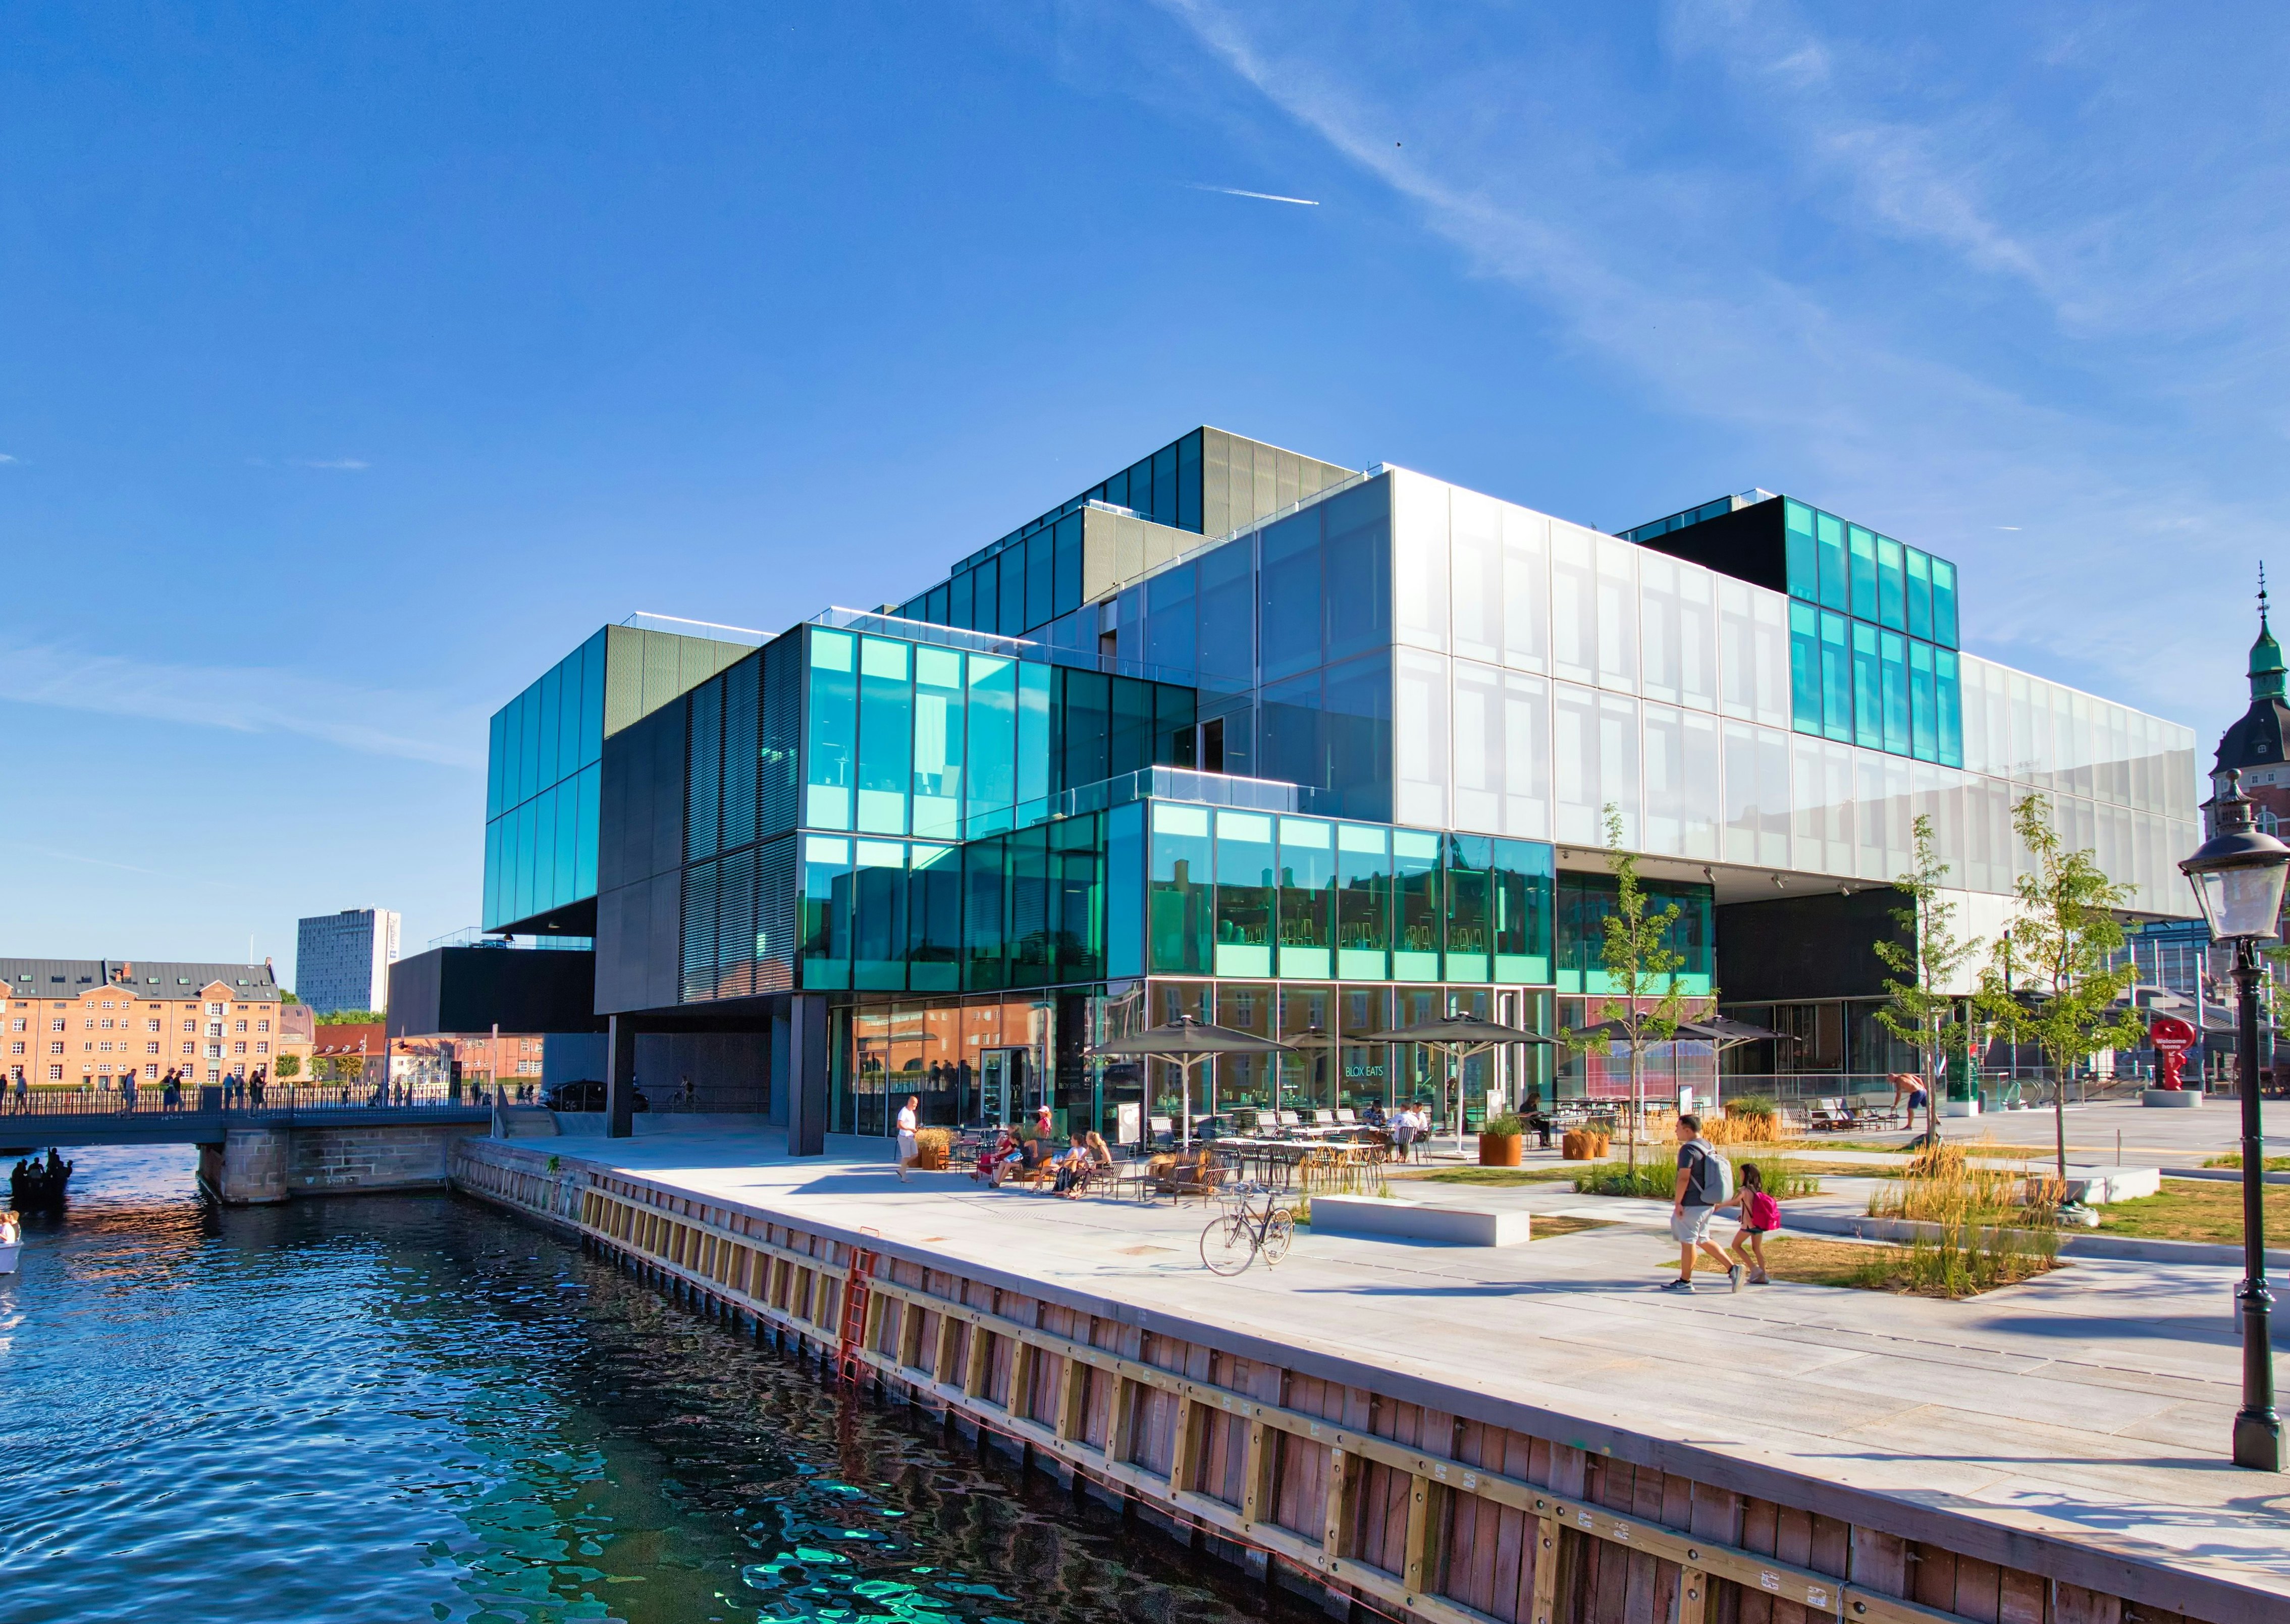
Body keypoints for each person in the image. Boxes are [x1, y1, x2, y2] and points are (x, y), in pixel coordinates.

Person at [1664, 1113, 1739, 1294]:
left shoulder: (1688, 1150)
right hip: (1707, 1202)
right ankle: (1733, 1269)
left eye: (1678, 1127)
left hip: (1692, 1203)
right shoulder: (1708, 1146)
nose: (1675, 1131)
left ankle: (1685, 1281)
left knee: (1688, 1241)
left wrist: (1678, 1203)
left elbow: (1684, 1178)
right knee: (1702, 1239)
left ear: (1688, 1130)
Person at [1721, 1163, 1781, 1285]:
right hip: (1759, 1224)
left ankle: (1754, 1269)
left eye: (1741, 1173)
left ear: (1746, 1175)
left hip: (1748, 1225)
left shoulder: (1743, 1190)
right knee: (1757, 1249)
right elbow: (1751, 1206)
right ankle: (1763, 1274)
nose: (1740, 1176)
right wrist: (1741, 1215)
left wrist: (1718, 1206)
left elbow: (1735, 1202)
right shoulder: (1756, 1190)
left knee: (1736, 1245)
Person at [895, 1094, 920, 1182]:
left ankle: (901, 1169)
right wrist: (910, 1129)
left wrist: (914, 1132)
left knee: (915, 1154)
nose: (915, 1106)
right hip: (904, 1137)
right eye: (914, 1104)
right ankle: (904, 1177)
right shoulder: (903, 1112)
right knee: (906, 1157)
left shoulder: (911, 1112)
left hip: (911, 1136)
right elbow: (899, 1125)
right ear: (910, 1102)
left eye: (916, 1104)